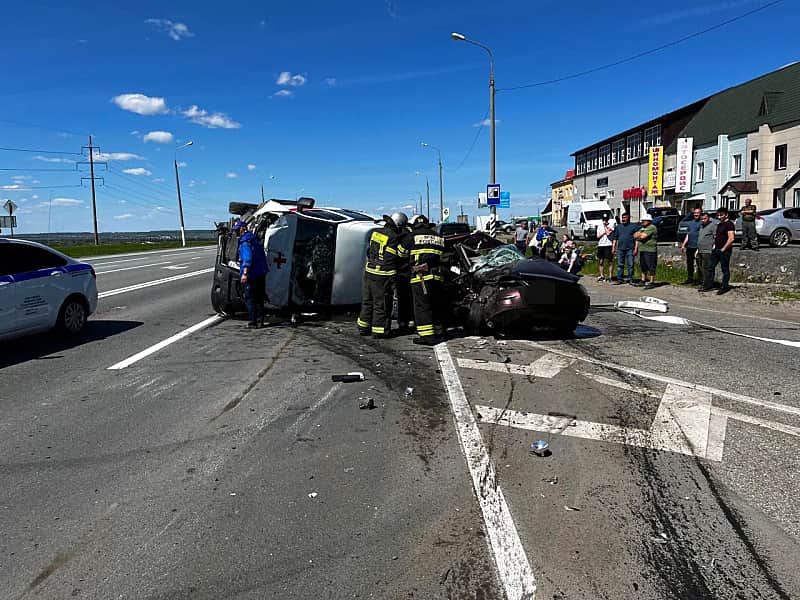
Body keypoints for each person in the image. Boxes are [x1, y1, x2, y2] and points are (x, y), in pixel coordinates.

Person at [357, 214, 408, 338]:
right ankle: (380, 331)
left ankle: (363, 327)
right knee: (382, 303)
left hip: (369, 271)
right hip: (383, 275)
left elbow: (369, 251)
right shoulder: (394, 237)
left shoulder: (375, 232)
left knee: (367, 301)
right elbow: (397, 257)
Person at [405, 214, 447, 345]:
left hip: (420, 278)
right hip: (437, 277)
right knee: (436, 305)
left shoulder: (412, 236)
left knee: (422, 306)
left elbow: (400, 253)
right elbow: (445, 257)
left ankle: (427, 336)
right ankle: (439, 332)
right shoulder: (438, 237)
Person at [233, 220, 269, 328]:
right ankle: (260, 320)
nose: (235, 233)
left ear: (242, 229)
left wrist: (244, 273)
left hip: (252, 275)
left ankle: (253, 322)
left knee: (250, 298)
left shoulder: (245, 242)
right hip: (261, 273)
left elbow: (247, 259)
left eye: (236, 230)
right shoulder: (254, 239)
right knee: (259, 298)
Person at [702, 206, 735, 295]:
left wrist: (723, 249)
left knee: (724, 269)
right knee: (710, 267)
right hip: (716, 249)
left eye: (721, 215)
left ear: (726, 215)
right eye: (718, 215)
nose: (719, 217)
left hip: (724, 250)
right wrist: (714, 246)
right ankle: (709, 285)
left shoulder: (729, 224)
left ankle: (725, 286)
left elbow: (731, 238)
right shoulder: (720, 224)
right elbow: (717, 237)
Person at [392, 212, 414, 333]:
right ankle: (409, 320)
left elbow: (400, 254)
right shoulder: (409, 234)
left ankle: (403, 322)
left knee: (402, 297)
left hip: (401, 271)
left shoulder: (399, 235)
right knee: (409, 297)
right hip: (408, 270)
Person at [610, 213, 640, 285]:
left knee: (631, 264)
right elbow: (615, 238)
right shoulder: (618, 227)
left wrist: (636, 248)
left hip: (630, 248)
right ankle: (620, 279)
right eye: (622, 218)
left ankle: (631, 279)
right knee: (620, 264)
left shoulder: (633, 226)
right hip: (620, 248)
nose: (623, 219)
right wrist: (613, 247)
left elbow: (637, 239)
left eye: (625, 218)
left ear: (628, 218)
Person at [634, 213, 658, 289]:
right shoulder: (642, 228)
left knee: (651, 266)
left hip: (650, 250)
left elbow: (643, 236)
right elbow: (635, 235)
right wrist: (639, 236)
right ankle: (643, 280)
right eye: (642, 220)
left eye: (644, 220)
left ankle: (652, 282)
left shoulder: (652, 227)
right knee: (643, 265)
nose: (643, 221)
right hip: (643, 249)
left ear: (649, 221)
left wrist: (639, 235)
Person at [680, 207, 703, 285]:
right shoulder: (691, 223)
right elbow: (688, 234)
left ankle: (700, 280)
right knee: (689, 263)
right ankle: (690, 278)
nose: (696, 214)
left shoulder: (702, 223)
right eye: (695, 213)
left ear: (700, 214)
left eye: (697, 213)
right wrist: (683, 244)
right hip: (690, 246)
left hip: (698, 246)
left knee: (699, 264)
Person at [695, 211, 717, 289]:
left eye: (705, 218)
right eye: (702, 219)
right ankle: (703, 282)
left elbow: (715, 237)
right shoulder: (701, 226)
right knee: (701, 267)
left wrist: (714, 246)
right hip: (700, 250)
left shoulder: (712, 226)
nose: (703, 220)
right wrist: (697, 250)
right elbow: (700, 238)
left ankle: (708, 284)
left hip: (708, 250)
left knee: (706, 267)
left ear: (708, 218)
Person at [596, 217, 614, 281]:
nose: (605, 221)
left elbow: (609, 233)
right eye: (604, 220)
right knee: (601, 261)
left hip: (608, 244)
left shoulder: (611, 225)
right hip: (601, 245)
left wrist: (606, 227)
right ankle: (602, 275)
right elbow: (598, 236)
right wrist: (604, 232)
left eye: (606, 220)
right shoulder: (599, 226)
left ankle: (610, 276)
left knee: (610, 261)